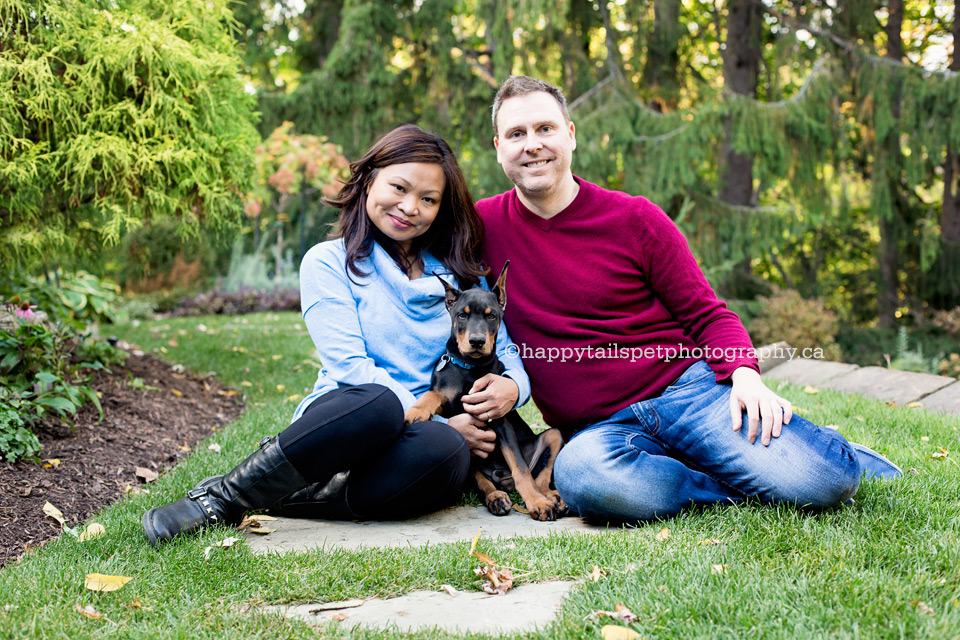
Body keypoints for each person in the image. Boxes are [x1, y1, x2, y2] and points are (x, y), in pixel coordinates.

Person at [476, 75, 901, 523]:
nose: (532, 145)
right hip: (601, 430)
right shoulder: (482, 226)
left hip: (688, 392)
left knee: (825, 481)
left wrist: (744, 375)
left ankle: (820, 451)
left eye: (545, 129)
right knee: (582, 479)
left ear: (571, 134)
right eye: (516, 134)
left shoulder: (634, 218)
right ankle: (730, 475)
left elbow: (707, 313)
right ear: (498, 147)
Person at [142, 124, 530, 545]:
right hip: (353, 420)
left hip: (420, 437)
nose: (410, 206)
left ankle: (301, 495)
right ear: (368, 182)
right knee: (380, 403)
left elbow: (505, 349)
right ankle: (222, 497)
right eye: (398, 187)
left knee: (448, 452)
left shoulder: (456, 276)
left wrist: (513, 387)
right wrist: (440, 416)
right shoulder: (329, 262)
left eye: (428, 199)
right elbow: (350, 366)